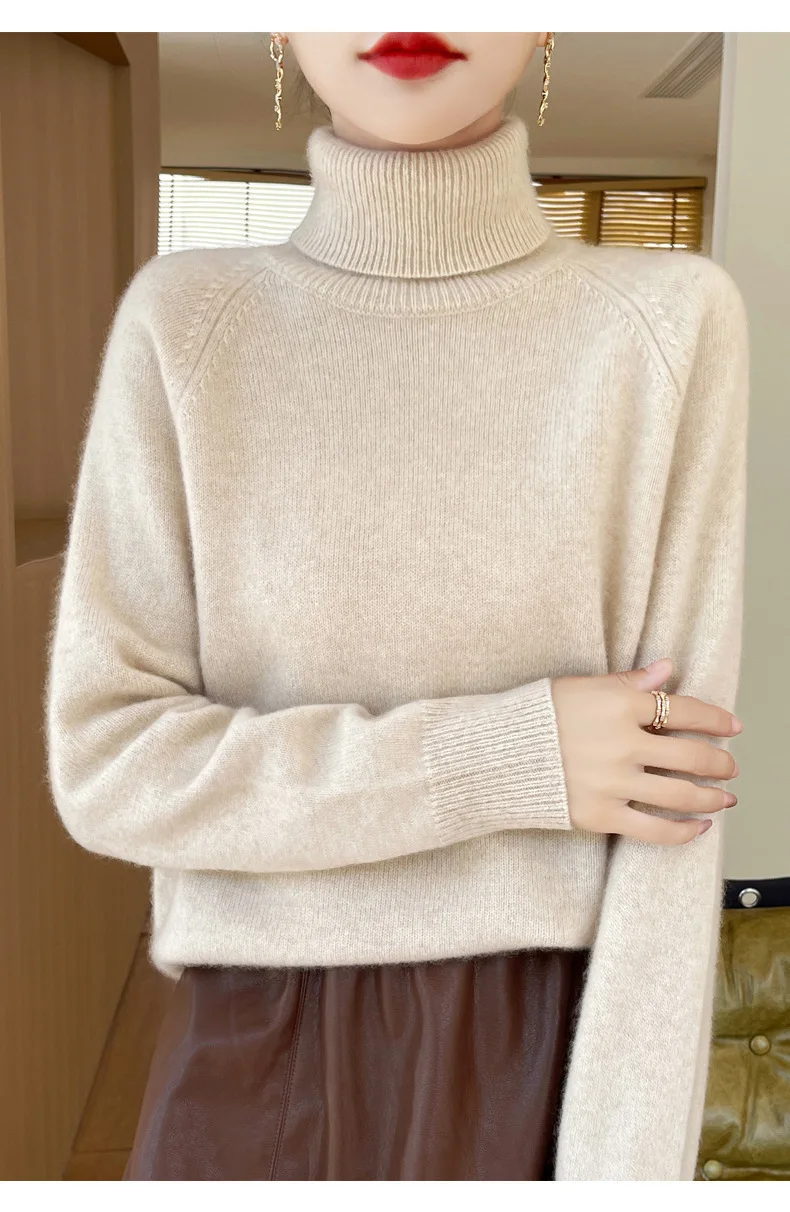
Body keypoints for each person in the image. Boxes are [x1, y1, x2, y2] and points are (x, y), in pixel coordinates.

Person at [44, 32, 749, 1181]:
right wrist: (510, 757)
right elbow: (109, 766)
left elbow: (676, 813)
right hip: (253, 1045)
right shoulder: (187, 322)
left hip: (556, 1043)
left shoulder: (668, 327)